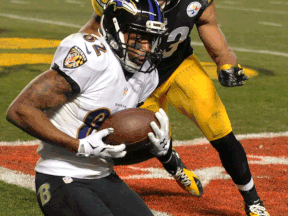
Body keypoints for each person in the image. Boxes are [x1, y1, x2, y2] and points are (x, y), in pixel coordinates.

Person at [79, 0, 270, 215]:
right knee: (144, 136)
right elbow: (96, 27)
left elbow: (209, 25)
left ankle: (253, 201)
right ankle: (175, 166)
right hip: (136, 73)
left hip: (179, 66)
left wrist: (225, 61)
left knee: (221, 130)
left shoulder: (195, 2)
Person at [6, 0, 171, 215]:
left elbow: (116, 141)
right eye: (139, 38)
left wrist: (154, 149)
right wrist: (78, 146)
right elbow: (20, 110)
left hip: (103, 175)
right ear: (116, 30)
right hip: (60, 173)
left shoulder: (147, 76)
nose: (146, 48)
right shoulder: (92, 56)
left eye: (152, 40)